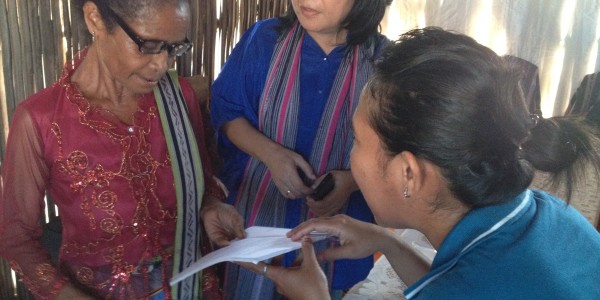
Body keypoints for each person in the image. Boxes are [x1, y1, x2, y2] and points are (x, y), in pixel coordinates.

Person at [242, 27, 600, 299]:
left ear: (408, 174)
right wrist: (389, 242)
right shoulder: (550, 214)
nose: (351, 156)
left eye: (357, 140)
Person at [0, 0, 245, 299]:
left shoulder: (178, 99)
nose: (162, 64)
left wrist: (210, 206)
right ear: (95, 19)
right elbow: (16, 237)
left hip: (191, 286)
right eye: (149, 45)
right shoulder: (40, 120)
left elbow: (199, 182)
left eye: (173, 48)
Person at [210, 0, 392, 298]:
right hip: (256, 213)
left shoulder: (386, 63)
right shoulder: (264, 39)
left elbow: (395, 155)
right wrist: (271, 154)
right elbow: (226, 110)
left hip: (340, 236)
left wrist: (350, 182)